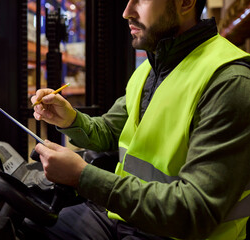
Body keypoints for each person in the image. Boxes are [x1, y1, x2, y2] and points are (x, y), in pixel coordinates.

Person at [30, 0, 250, 239]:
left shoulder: (229, 82)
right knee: (27, 224)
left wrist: (82, 176)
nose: (126, 12)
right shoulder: (150, 69)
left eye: (141, 0)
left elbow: (194, 211)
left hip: (172, 233)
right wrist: (70, 119)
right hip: (123, 216)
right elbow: (110, 130)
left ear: (185, 3)